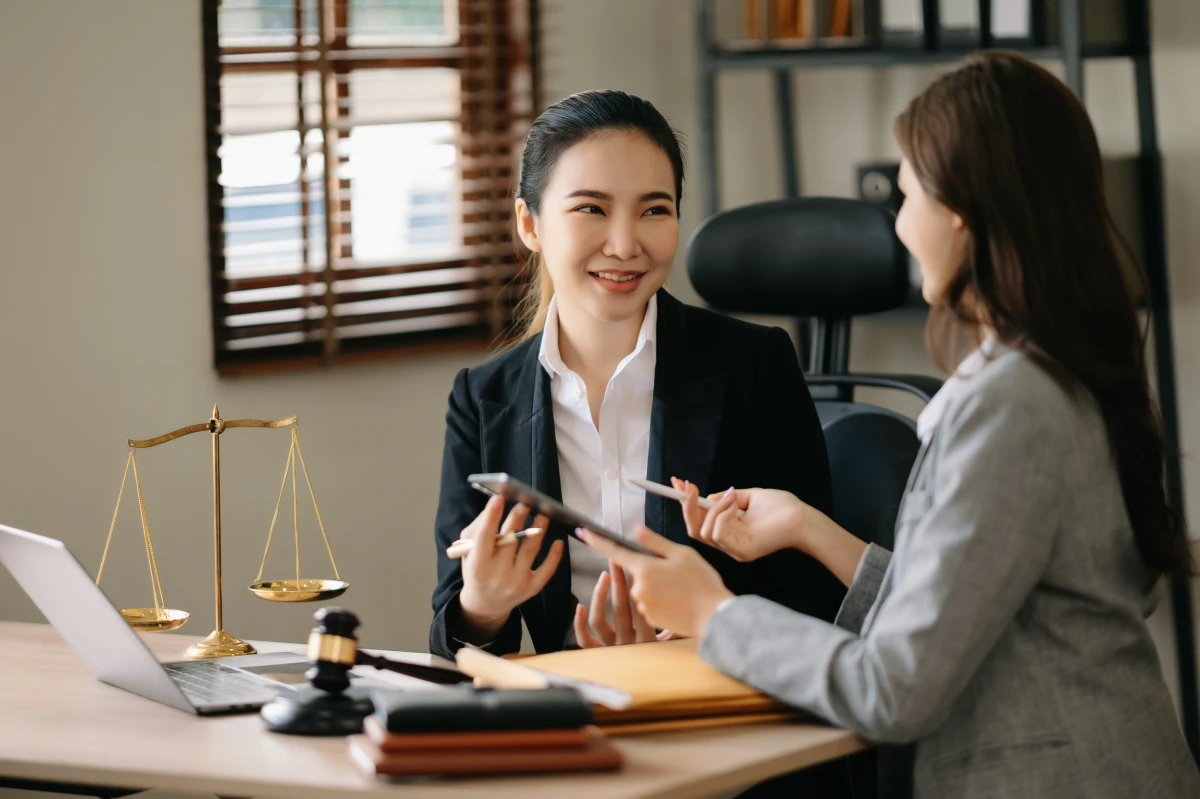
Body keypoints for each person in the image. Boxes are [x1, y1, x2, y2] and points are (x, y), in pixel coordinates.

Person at [578, 53, 1200, 798]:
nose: (899, 226)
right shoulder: (1050, 371)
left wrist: (713, 612)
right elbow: (969, 612)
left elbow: (896, 687)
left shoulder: (1014, 407)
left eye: (905, 196)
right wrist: (810, 528)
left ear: (960, 209)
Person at [428, 89, 845, 662]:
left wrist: (704, 626)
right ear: (530, 223)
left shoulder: (756, 365)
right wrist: (484, 604)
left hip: (721, 698)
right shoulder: (483, 398)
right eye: (590, 209)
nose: (625, 245)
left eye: (654, 210)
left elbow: (820, 596)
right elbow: (454, 641)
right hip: (571, 708)